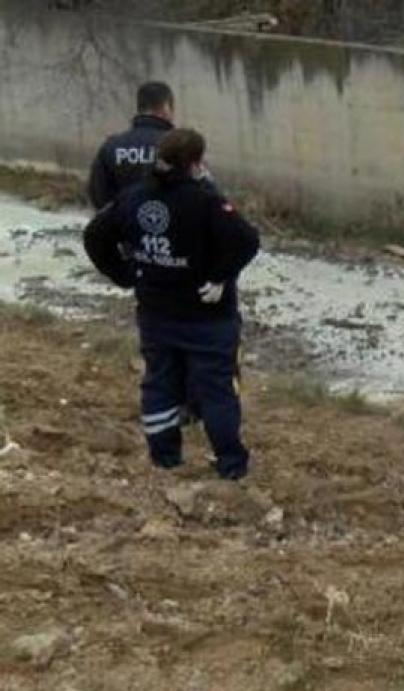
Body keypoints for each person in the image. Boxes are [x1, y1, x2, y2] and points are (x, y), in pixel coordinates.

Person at [82, 129, 260, 479]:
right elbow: (246, 240)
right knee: (217, 389)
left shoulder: (133, 198)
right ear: (196, 162)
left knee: (160, 383)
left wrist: (125, 273)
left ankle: (165, 458)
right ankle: (230, 464)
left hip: (156, 312)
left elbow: (94, 235)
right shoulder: (204, 200)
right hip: (207, 317)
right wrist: (220, 276)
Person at [88, 82, 177, 210]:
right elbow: (200, 193)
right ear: (166, 106)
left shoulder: (112, 146)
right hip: (170, 226)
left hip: (122, 226)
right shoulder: (180, 148)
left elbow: (98, 194)